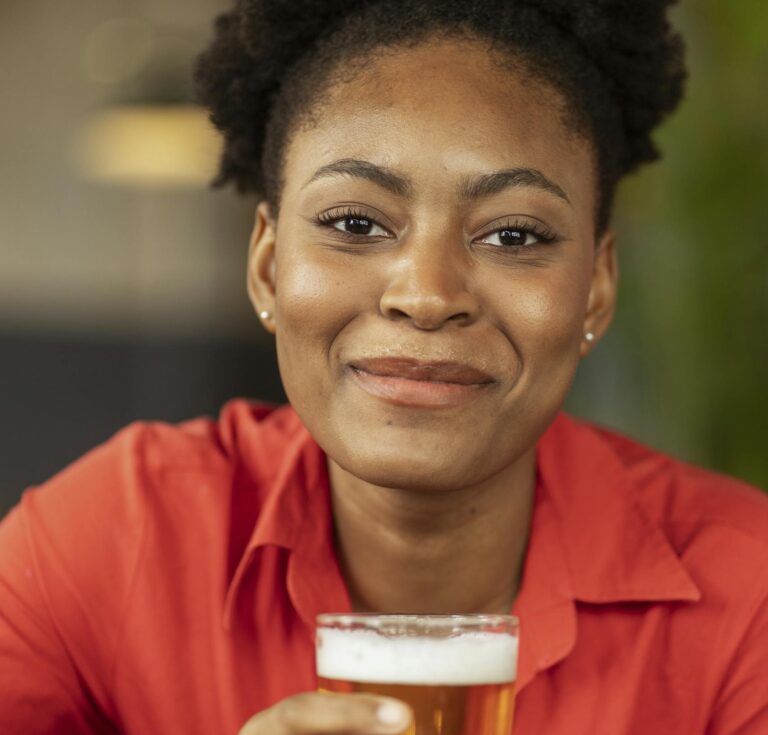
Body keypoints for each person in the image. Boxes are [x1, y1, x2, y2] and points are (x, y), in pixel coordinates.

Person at [1, 0, 766, 733]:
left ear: (596, 290)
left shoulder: (746, 591)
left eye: (513, 236)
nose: (428, 295)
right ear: (269, 268)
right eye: (356, 222)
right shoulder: (109, 539)